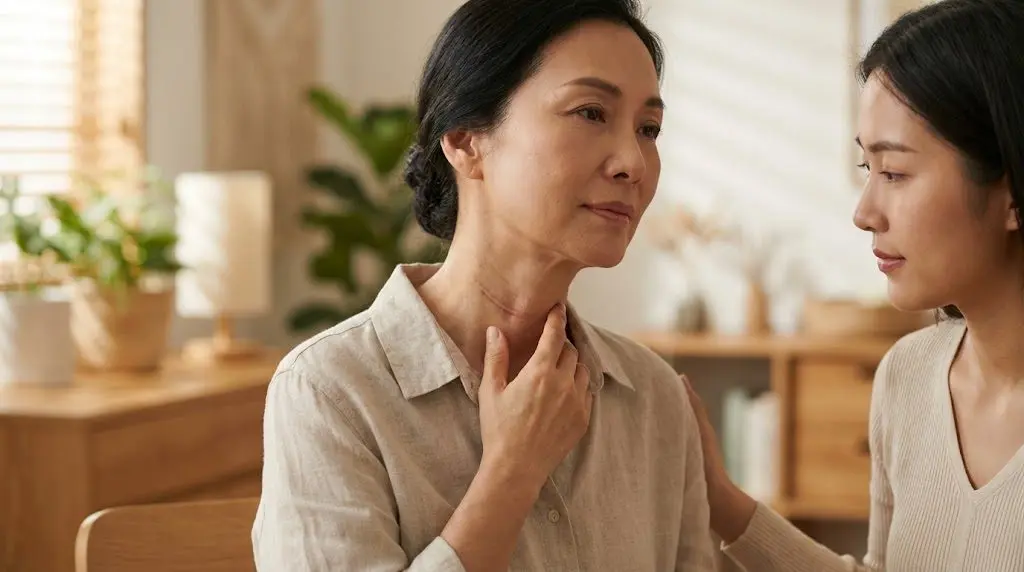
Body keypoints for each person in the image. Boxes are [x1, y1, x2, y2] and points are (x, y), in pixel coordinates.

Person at [251, 1, 716, 570]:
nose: (634, 163)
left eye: (649, 129)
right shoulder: (330, 392)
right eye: (591, 112)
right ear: (466, 140)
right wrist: (511, 474)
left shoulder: (655, 398)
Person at [683, 0, 1024, 570]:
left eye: (894, 172)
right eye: (869, 169)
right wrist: (720, 498)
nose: (864, 213)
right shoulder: (905, 376)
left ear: (1012, 193)